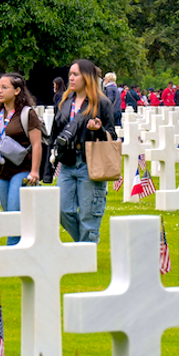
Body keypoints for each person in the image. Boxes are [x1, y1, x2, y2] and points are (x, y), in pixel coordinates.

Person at [49, 59, 117, 244]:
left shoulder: (102, 103)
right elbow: (54, 134)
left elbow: (112, 136)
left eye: (76, 74)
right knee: (62, 210)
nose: (71, 78)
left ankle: (86, 252)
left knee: (88, 215)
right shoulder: (64, 102)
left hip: (90, 162)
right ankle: (86, 245)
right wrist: (47, 171)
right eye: (70, 74)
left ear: (87, 77)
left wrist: (99, 130)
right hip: (68, 162)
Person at [0, 73, 43, 245]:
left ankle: (11, 252)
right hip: (1, 171)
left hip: (22, 169)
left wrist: (35, 171)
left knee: (14, 212)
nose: (0, 90)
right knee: (8, 215)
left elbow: (37, 144)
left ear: (17, 90)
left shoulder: (27, 114)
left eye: (5, 87)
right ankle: (26, 246)